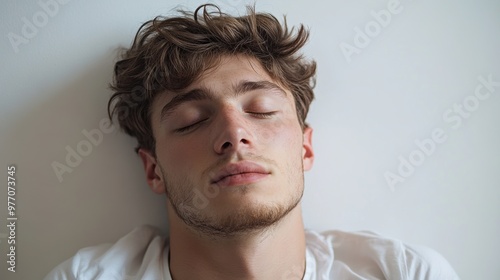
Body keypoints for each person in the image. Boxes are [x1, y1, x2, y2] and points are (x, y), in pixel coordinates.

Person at [45, 4, 459, 280]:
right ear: (153, 169)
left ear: (305, 148)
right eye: (191, 121)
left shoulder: (404, 272)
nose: (233, 134)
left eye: (260, 109)